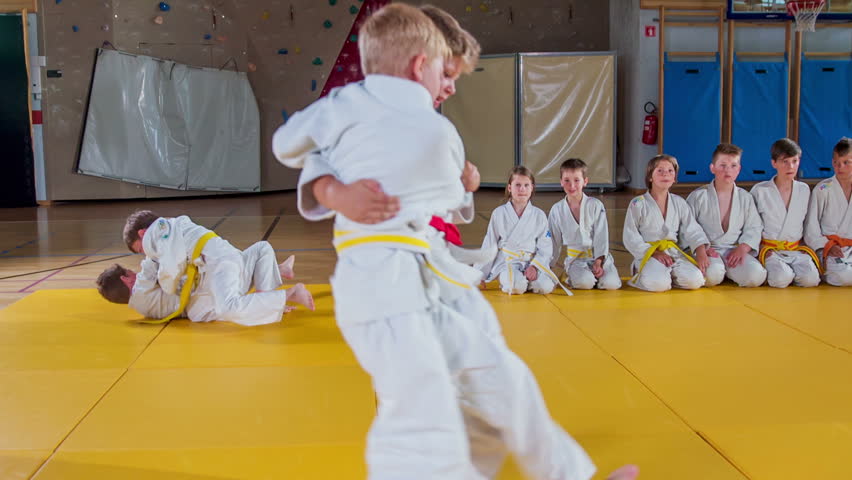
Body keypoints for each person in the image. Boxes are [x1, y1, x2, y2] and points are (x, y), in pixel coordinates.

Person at [271, 5, 636, 480]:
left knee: (502, 379)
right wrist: (333, 191)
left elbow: (441, 204)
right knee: (422, 411)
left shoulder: (438, 130)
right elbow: (291, 144)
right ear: (422, 65)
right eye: (447, 72)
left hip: (430, 271)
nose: (452, 86)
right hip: (379, 281)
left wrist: (462, 185)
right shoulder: (350, 105)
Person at [97, 210, 314, 325]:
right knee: (261, 248)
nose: (146, 255)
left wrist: (166, 281)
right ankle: (270, 297)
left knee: (227, 307)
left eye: (141, 250)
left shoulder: (159, 232)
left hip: (217, 262)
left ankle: (289, 294)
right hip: (221, 259)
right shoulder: (169, 228)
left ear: (144, 234)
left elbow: (171, 269)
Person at [623, 154, 711, 292]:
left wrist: (701, 251)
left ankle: (669, 275)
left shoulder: (679, 202)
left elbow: (692, 229)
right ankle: (641, 275)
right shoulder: (638, 203)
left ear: (674, 178)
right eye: (660, 171)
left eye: (670, 171)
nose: (666, 174)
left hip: (673, 253)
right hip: (648, 254)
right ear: (650, 177)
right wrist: (655, 253)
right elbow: (630, 236)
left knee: (696, 280)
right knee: (659, 285)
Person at [686, 144, 766, 287]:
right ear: (712, 168)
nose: (728, 170)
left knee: (756, 276)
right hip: (708, 249)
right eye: (722, 165)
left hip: (733, 250)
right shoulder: (698, 196)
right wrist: (701, 248)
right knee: (712, 276)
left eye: (733, 165)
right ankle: (723, 271)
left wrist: (743, 248)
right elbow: (688, 226)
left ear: (739, 169)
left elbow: (754, 227)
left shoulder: (745, 197)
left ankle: (729, 271)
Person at [475, 166, 563, 295]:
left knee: (545, 287)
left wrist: (535, 266)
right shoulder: (499, 213)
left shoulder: (539, 215)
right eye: (517, 185)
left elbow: (545, 247)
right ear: (510, 188)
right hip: (507, 263)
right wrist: (480, 274)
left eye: (526, 185)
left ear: (532, 188)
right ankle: (515, 280)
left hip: (530, 262)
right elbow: (489, 243)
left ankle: (527, 279)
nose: (522, 189)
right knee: (516, 286)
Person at [750, 139, 821, 288]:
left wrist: (808, 247)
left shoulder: (804, 190)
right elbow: (751, 225)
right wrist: (760, 249)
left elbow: (808, 224)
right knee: (781, 279)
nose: (791, 166)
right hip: (770, 250)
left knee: (811, 280)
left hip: (795, 250)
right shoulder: (760, 191)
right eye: (785, 161)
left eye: (795, 161)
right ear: (774, 163)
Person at [548, 158, 621, 290]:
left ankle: (598, 275)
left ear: (585, 181)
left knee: (612, 284)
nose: (572, 186)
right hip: (576, 260)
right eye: (567, 181)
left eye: (577, 180)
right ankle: (573, 276)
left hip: (598, 257)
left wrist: (599, 261)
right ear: (561, 182)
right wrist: (548, 266)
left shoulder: (596, 205)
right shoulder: (557, 210)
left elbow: (601, 235)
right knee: (584, 283)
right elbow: (553, 241)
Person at [804, 137, 852, 286]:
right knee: (844, 277)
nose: (840, 167)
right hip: (830, 248)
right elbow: (811, 227)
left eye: (846, 163)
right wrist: (828, 246)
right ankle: (824, 270)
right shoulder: (823, 189)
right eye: (836, 163)